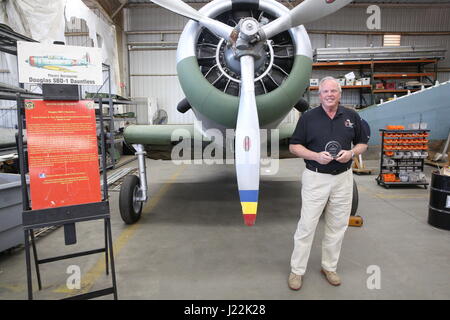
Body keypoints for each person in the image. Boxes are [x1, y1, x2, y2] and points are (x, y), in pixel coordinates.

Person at [287, 76, 369, 290]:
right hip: (316, 177)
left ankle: (329, 267)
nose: (330, 95)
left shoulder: (351, 116)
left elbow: (362, 143)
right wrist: (315, 156)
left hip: (343, 178)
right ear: (319, 94)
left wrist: (351, 152)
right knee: (306, 226)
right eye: (326, 91)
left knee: (338, 226)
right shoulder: (308, 118)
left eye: (334, 91)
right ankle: (297, 271)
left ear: (339, 94)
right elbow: (294, 147)